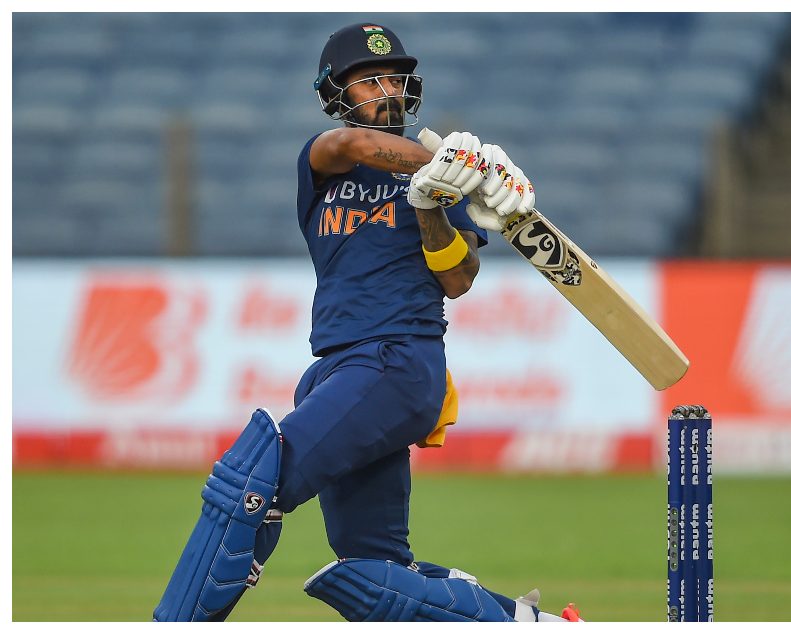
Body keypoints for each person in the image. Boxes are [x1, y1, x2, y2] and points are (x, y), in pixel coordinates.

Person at [153, 22, 581, 622]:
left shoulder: (442, 187)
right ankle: (522, 622)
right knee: (373, 571)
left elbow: (458, 278)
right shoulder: (324, 160)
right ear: (337, 93)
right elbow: (352, 145)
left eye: (395, 79)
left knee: (249, 486)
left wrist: (432, 202)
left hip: (398, 363)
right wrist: (458, 167)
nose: (387, 91)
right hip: (337, 370)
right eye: (369, 81)